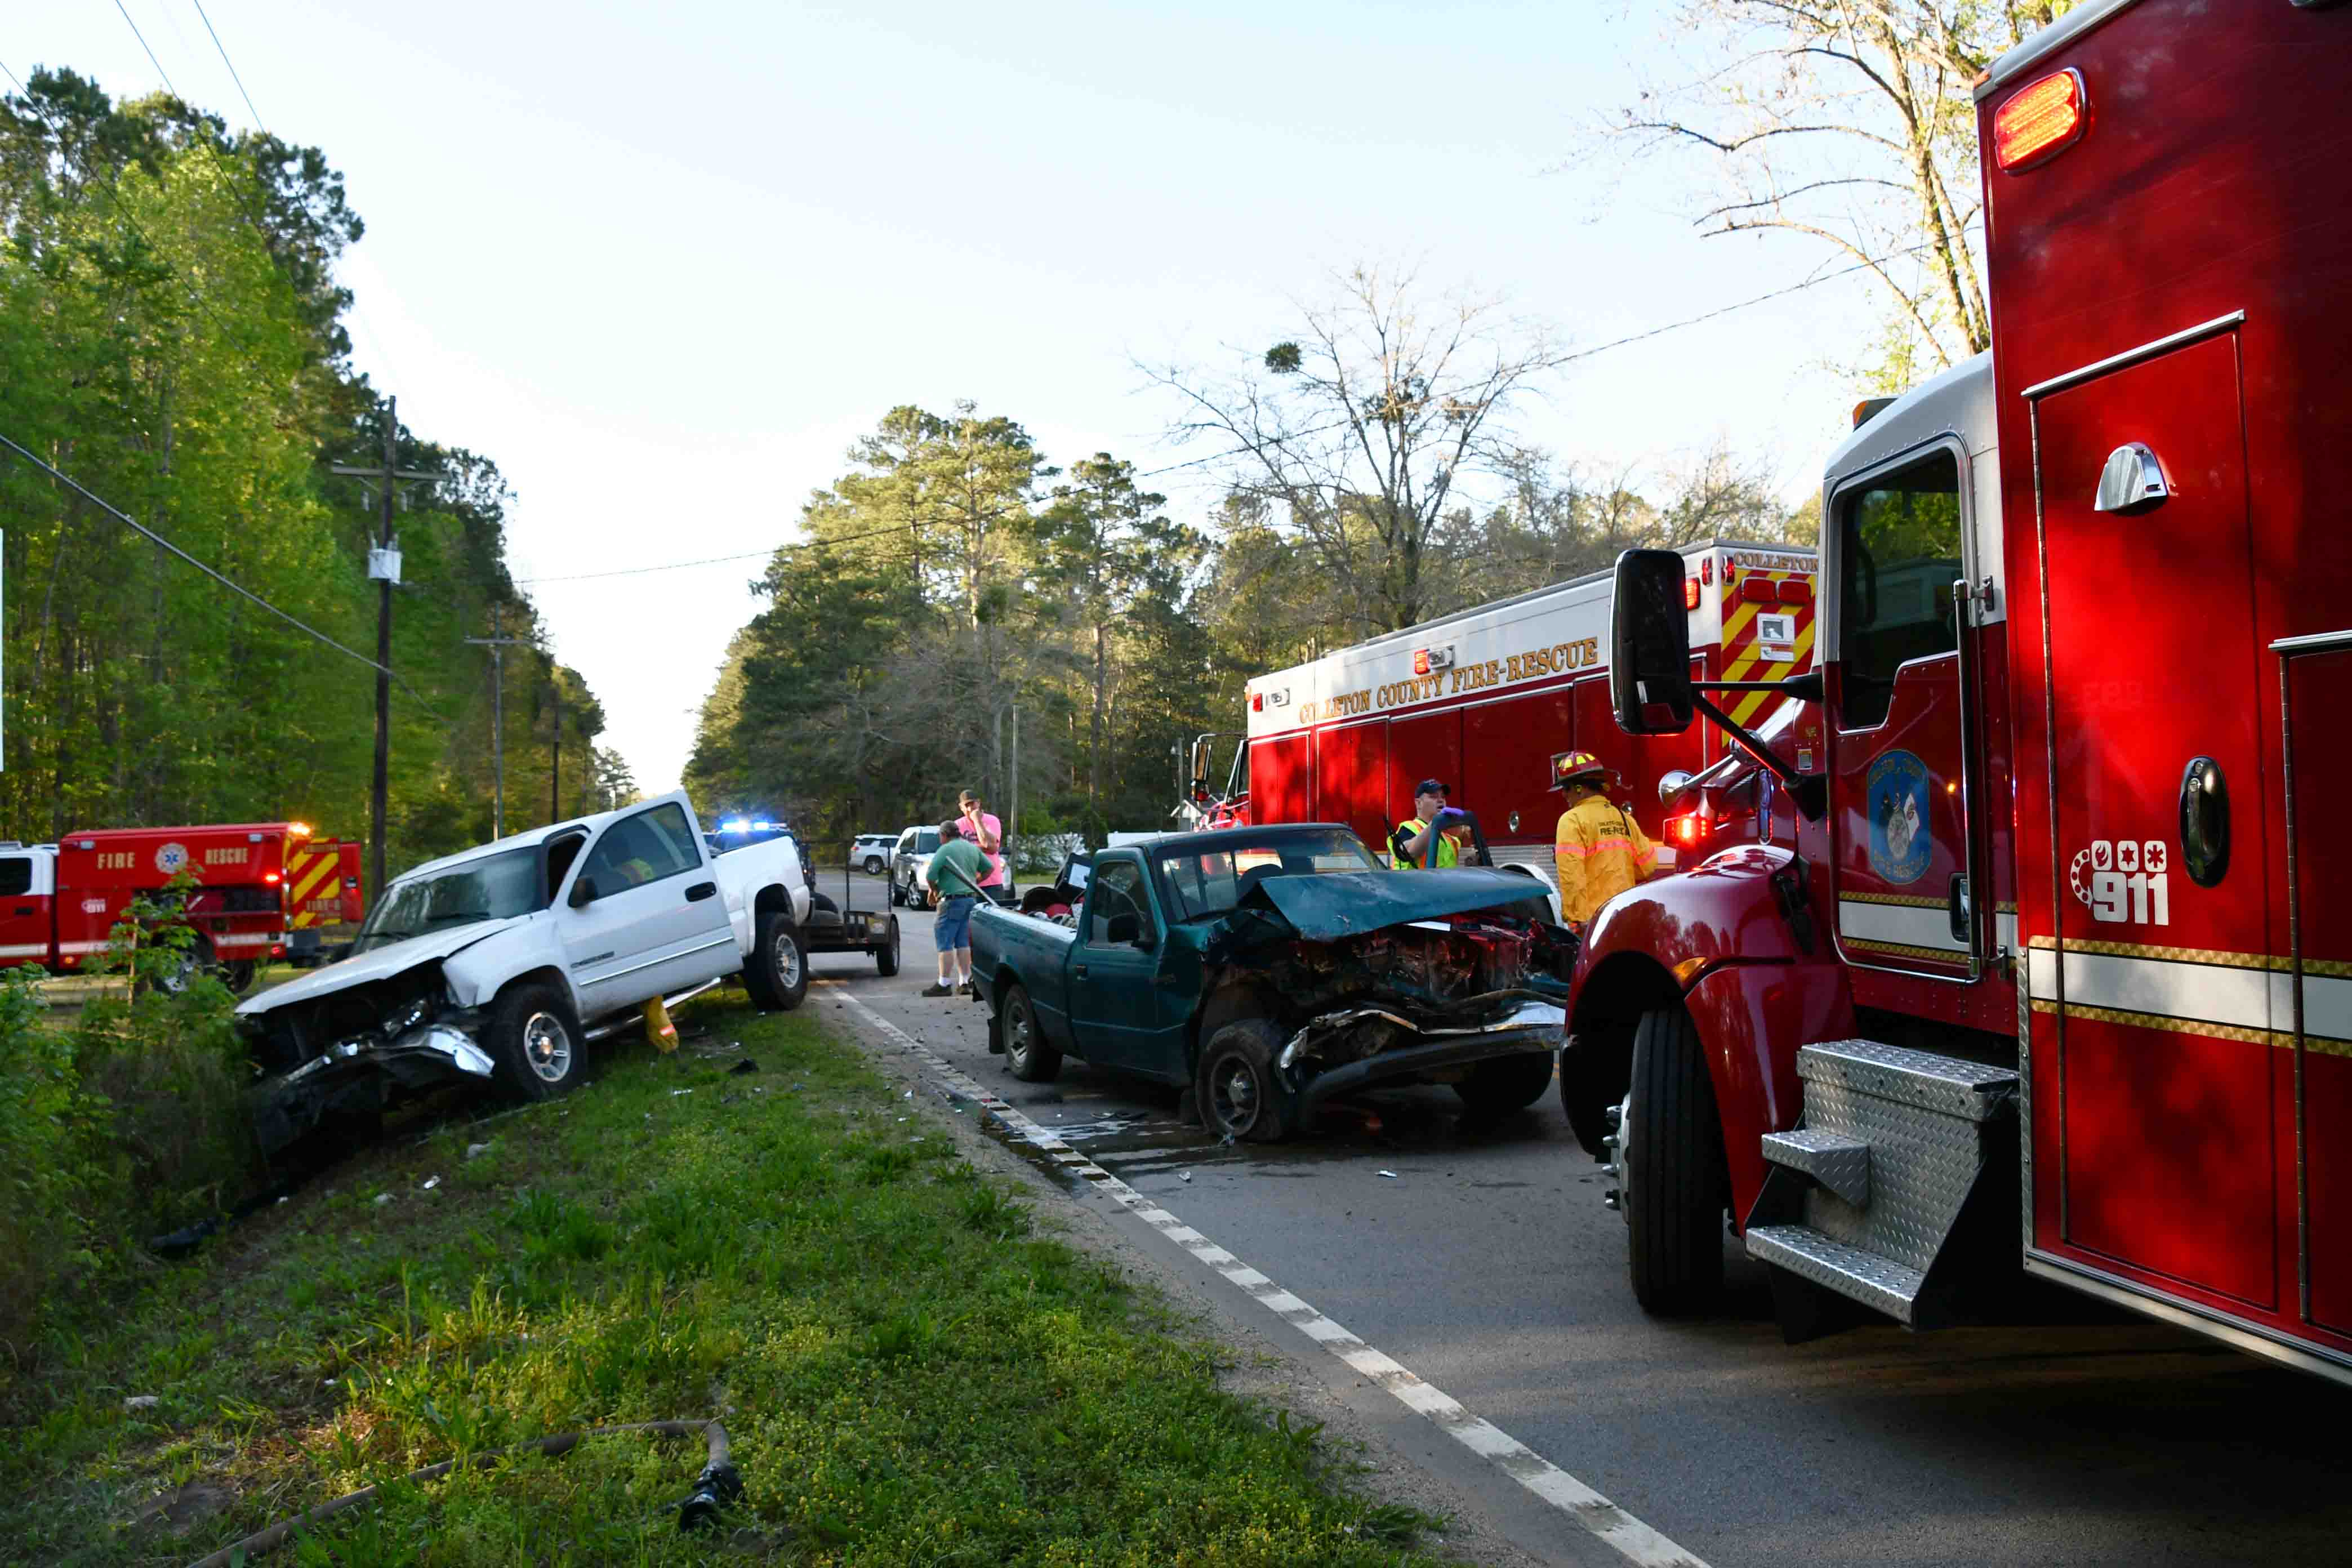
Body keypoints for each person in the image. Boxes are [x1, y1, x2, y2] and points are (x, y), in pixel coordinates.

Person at [1549, 750, 1659, 934]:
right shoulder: (1624, 818)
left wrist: (1578, 919)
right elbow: (1648, 866)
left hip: (1594, 922)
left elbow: (1572, 877)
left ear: (1579, 788)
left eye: (1566, 788)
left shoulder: (1571, 820)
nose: (1563, 795)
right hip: (1625, 915)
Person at [923, 817, 991, 998]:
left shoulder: (944, 850)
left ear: (944, 835)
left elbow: (930, 875)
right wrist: (975, 881)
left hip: (951, 901)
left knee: (945, 942)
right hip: (970, 900)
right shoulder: (971, 848)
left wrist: (934, 889)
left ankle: (944, 983)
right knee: (963, 942)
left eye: (940, 835)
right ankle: (965, 981)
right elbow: (989, 868)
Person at [1391, 778, 1470, 870]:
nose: (1441, 800)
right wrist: (1436, 822)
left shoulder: (1450, 840)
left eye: (1443, 797)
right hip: (1415, 884)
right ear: (1419, 803)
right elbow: (1407, 852)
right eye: (1433, 797)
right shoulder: (1409, 828)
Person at [958, 790, 1007, 902]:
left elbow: (991, 848)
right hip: (968, 883)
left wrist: (977, 821)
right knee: (968, 919)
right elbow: (959, 852)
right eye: (966, 805)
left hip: (992, 883)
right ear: (961, 808)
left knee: (993, 918)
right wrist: (981, 847)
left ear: (979, 803)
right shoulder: (957, 825)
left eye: (973, 804)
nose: (970, 809)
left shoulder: (992, 821)